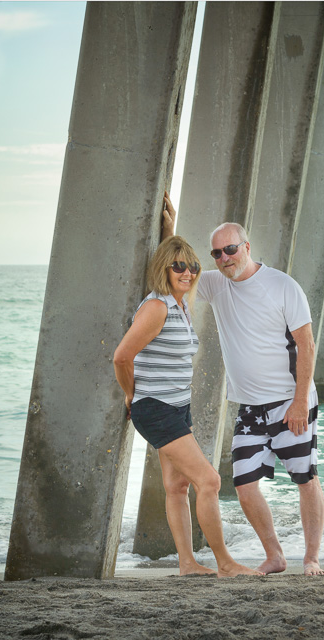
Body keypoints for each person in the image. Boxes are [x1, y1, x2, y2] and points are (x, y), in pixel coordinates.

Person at [114, 204, 261, 579]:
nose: (188, 272)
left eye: (193, 266)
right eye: (178, 266)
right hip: (156, 408)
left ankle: (187, 564)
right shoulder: (157, 308)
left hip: (177, 407)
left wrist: (170, 230)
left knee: (177, 486)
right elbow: (121, 357)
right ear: (164, 269)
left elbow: (177, 262)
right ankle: (225, 563)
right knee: (209, 481)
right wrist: (132, 397)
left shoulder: (180, 303)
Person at [192, 216, 324, 576]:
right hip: (250, 407)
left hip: (290, 401)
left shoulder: (282, 286)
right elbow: (176, 272)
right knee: (245, 485)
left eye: (230, 249)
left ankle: (311, 558)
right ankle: (275, 555)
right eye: (217, 253)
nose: (224, 258)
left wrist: (300, 401)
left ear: (246, 247)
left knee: (304, 477)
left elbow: (307, 344)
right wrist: (166, 227)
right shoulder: (216, 285)